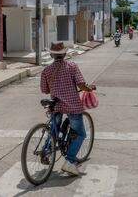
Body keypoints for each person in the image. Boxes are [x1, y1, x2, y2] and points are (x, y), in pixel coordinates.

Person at [40, 42, 94, 176]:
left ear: (52, 54)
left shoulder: (46, 71)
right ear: (64, 54)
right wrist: (89, 88)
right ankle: (69, 161)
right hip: (72, 105)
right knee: (81, 134)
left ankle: (46, 150)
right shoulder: (71, 66)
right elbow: (81, 85)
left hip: (55, 104)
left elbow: (45, 90)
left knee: (54, 129)